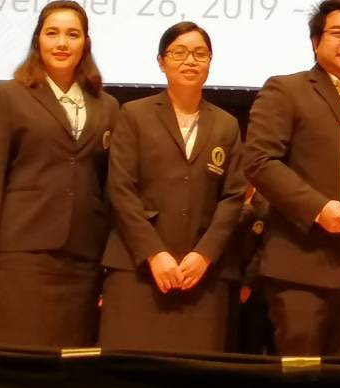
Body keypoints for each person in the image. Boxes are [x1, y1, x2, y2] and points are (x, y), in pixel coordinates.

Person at [243, 0, 340, 357]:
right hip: (302, 269)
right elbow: (260, 161)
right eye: (338, 33)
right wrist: (318, 208)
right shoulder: (285, 90)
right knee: (301, 380)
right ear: (316, 42)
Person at [0, 0, 119, 349]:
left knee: (69, 362)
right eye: (52, 33)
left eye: (72, 35)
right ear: (38, 40)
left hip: (83, 257)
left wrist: (108, 265)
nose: (62, 43)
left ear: (86, 43)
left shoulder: (107, 105)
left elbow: (110, 186)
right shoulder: (9, 95)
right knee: (15, 354)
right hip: (22, 251)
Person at [100, 21, 248, 353]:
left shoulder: (226, 124)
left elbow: (233, 197)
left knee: (195, 375)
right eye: (179, 52)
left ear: (210, 61)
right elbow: (121, 189)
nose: (190, 61)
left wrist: (204, 254)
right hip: (137, 270)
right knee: (130, 371)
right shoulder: (134, 114)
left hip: (203, 276)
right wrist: (154, 253)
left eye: (200, 54)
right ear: (161, 61)